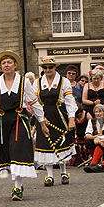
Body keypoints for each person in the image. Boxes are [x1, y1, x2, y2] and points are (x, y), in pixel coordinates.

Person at [0, 51, 49, 201]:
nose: (6, 65)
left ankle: (17, 187)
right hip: (2, 121)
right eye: (4, 63)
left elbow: (34, 103)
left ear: (15, 65)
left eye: (9, 62)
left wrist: (42, 123)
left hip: (20, 119)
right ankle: (14, 181)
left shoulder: (24, 82)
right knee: (7, 152)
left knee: (17, 151)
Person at [34, 57, 77, 186]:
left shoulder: (64, 82)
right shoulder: (37, 82)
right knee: (47, 144)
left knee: (61, 143)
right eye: (45, 67)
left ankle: (63, 172)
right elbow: (34, 102)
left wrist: (71, 118)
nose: (48, 70)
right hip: (44, 115)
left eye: (50, 67)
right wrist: (41, 117)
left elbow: (70, 100)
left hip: (59, 115)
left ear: (55, 68)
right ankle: (49, 176)